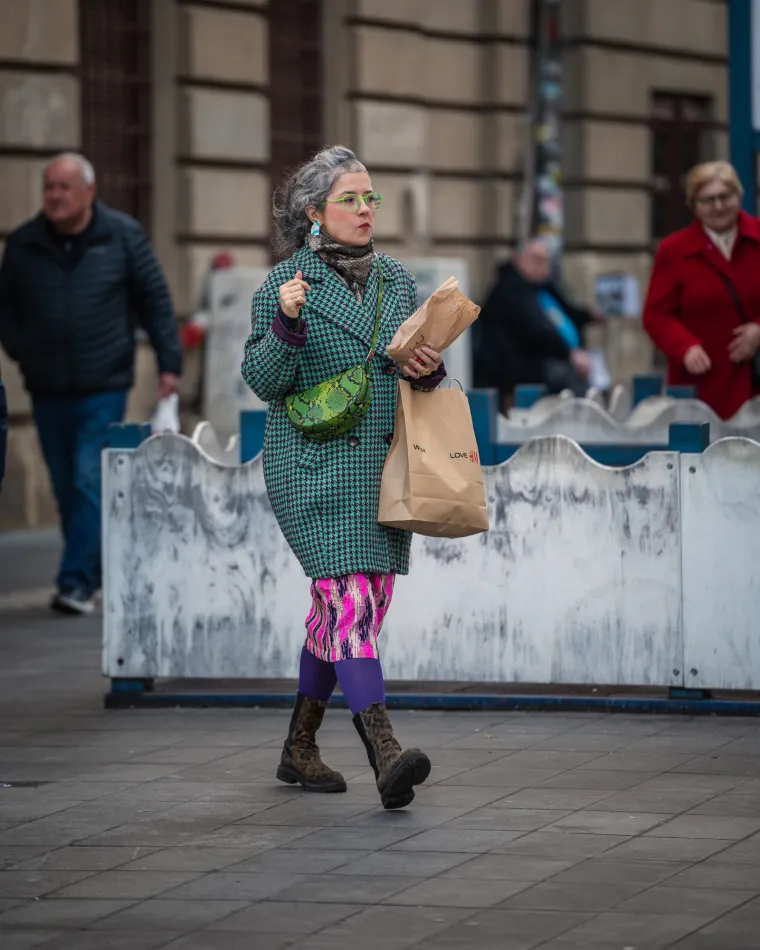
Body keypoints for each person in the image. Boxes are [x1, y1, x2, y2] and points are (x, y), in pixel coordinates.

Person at [241, 145, 445, 809]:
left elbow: (411, 376)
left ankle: (299, 748)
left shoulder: (398, 283)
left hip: (382, 468)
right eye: (350, 200)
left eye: (369, 198)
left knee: (349, 606)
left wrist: (430, 371)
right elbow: (265, 380)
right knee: (352, 604)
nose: (364, 210)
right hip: (312, 467)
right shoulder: (282, 285)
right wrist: (288, 322)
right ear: (314, 213)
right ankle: (385, 750)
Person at [0, 153, 181, 615]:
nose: (54, 196)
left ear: (88, 192)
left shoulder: (122, 236)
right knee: (65, 486)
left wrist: (169, 364)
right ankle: (91, 568)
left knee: (86, 478)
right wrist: (23, 350)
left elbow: (155, 300)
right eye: (49, 188)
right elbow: (7, 308)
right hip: (47, 386)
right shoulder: (24, 243)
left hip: (104, 383)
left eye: (64, 187)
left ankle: (75, 581)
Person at [643, 161, 760, 420]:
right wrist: (685, 347)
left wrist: (758, 331)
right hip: (702, 389)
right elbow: (656, 315)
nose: (718, 207)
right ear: (694, 206)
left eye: (725, 197)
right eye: (707, 200)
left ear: (739, 196)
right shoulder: (674, 250)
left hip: (755, 384)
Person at [473, 239, 602, 407]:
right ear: (520, 260)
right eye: (537, 260)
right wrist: (568, 353)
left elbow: (566, 311)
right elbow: (533, 329)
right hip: (524, 364)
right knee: (568, 378)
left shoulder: (543, 288)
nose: (544, 267)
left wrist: (588, 316)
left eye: (545, 261)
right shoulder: (511, 289)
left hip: (553, 357)